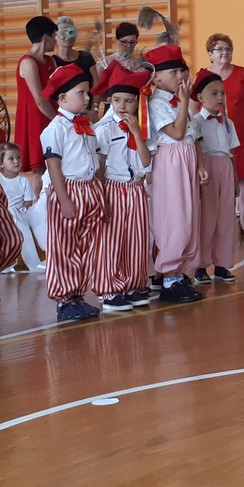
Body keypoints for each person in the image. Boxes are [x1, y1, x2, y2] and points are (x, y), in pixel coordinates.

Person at [40, 63, 111, 320]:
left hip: (89, 189)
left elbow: (95, 162)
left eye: (87, 92)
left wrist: (101, 197)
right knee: (65, 247)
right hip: (69, 190)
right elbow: (54, 166)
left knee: (85, 246)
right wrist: (64, 200)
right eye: (81, 92)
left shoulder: (86, 125)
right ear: (62, 98)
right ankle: (64, 299)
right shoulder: (55, 129)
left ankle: (78, 295)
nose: (87, 97)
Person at [93, 61, 154, 312]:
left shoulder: (142, 127)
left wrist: (137, 134)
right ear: (110, 101)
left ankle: (132, 285)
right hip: (114, 189)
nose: (122, 106)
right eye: (117, 100)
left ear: (137, 102)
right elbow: (99, 166)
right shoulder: (103, 129)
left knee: (136, 239)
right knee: (112, 240)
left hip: (136, 189)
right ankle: (109, 289)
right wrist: (102, 197)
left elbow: (146, 162)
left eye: (128, 101)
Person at [145, 44, 203, 304]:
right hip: (171, 161)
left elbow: (192, 136)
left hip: (186, 158)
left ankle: (179, 273)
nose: (181, 76)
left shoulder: (178, 101)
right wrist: (184, 102)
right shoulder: (158, 103)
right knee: (174, 217)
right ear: (157, 78)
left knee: (188, 216)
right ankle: (168, 277)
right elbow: (177, 133)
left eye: (182, 70)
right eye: (174, 72)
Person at [205, 33, 244, 235]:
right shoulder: (203, 76)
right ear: (210, 54)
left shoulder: (242, 73)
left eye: (228, 49)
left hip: (242, 130)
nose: (224, 53)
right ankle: (223, 218)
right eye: (219, 49)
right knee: (219, 173)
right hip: (214, 132)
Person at [191, 68, 240, 285]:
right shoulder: (196, 122)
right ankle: (201, 266)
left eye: (222, 93)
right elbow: (196, 151)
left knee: (226, 218)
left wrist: (235, 180)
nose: (220, 97)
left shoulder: (228, 123)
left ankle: (222, 264)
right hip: (207, 168)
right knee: (207, 218)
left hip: (225, 168)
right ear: (200, 97)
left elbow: (232, 153)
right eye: (214, 93)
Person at [14, 15, 60, 193]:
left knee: (55, 163)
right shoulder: (28, 62)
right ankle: (37, 204)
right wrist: (59, 120)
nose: (56, 41)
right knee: (38, 169)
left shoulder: (50, 61)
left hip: (51, 114)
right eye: (54, 36)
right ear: (46, 37)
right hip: (35, 119)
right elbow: (39, 99)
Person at [0, 143, 47, 274]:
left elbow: (28, 201)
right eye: (11, 159)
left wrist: (22, 208)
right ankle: (8, 261)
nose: (16, 161)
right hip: (4, 212)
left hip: (21, 211)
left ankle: (35, 259)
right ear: (1, 164)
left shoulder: (23, 180)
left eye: (18, 158)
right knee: (12, 214)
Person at [54, 15, 98, 80]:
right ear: (55, 37)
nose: (68, 37)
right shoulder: (53, 61)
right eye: (63, 33)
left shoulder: (86, 57)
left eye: (71, 32)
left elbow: (96, 82)